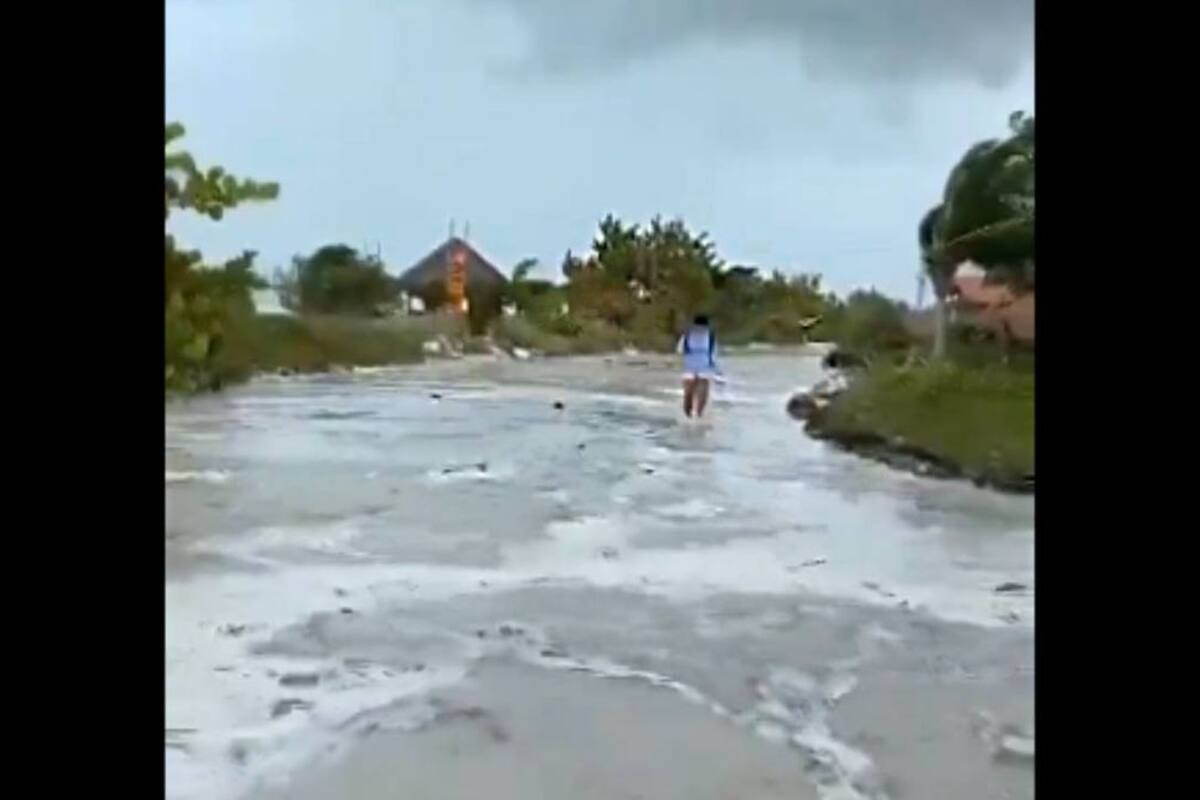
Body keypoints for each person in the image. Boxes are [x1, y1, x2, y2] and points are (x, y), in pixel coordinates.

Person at [678, 314, 719, 418]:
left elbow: (680, 350)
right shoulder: (710, 335)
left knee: (688, 393)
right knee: (702, 394)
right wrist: (715, 367)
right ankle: (698, 415)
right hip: (705, 365)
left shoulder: (687, 335)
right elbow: (714, 353)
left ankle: (689, 415)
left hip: (690, 364)